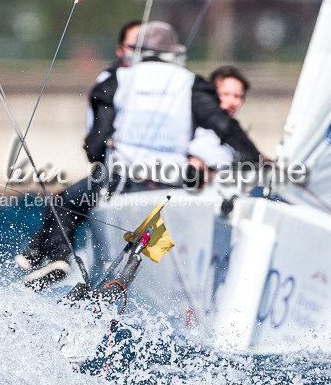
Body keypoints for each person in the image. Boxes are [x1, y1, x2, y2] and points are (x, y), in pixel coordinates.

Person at [17, 21, 263, 282]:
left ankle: (58, 257)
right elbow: (225, 127)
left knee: (64, 202)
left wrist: (100, 165)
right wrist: (256, 160)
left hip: (123, 182)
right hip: (174, 183)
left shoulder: (116, 80)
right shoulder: (193, 84)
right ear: (175, 54)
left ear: (137, 52)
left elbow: (95, 144)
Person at [187, 65, 250, 185]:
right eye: (225, 94)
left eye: (237, 97)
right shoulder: (194, 128)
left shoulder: (239, 138)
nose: (231, 102)